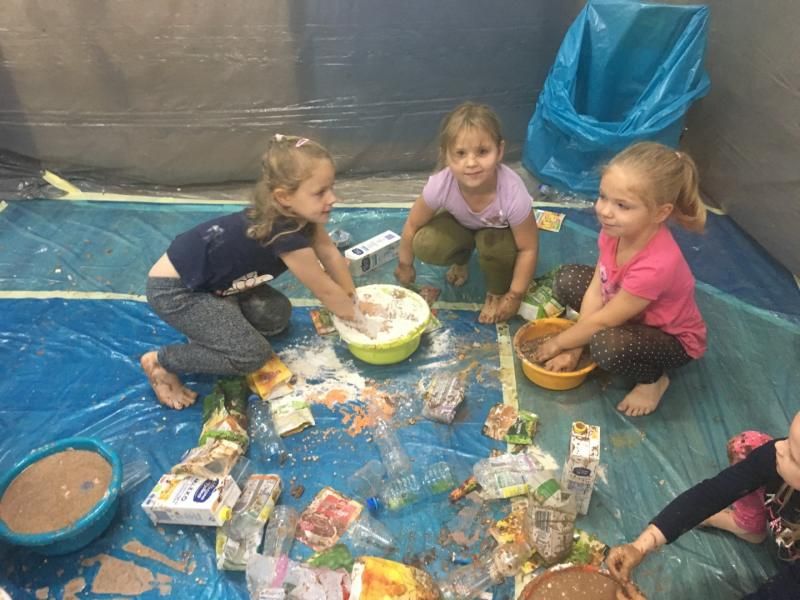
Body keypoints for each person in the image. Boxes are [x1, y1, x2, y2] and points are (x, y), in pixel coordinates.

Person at [141, 134, 362, 409]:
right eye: (320, 192)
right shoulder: (284, 234)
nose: (332, 198)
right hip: (178, 292)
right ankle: (161, 362)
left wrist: (353, 299)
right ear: (284, 197)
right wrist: (362, 323)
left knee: (275, 316)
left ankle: (213, 329)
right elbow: (326, 291)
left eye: (331, 188)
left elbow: (329, 254)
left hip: (216, 286)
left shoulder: (301, 216)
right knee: (252, 356)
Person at [531, 142, 707, 416]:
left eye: (622, 205)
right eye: (603, 197)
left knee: (606, 346)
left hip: (669, 339)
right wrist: (575, 346)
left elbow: (605, 321)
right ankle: (586, 337)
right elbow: (597, 288)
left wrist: (560, 343)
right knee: (567, 279)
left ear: (660, 213)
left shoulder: (656, 265)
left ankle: (653, 381)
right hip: (625, 310)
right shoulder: (614, 230)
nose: (605, 211)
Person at [608, 413, 800, 599]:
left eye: (793, 456)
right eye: (788, 439)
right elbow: (712, 493)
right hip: (787, 525)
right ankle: (748, 525)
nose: (779, 447)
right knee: (749, 446)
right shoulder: (777, 453)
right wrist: (640, 545)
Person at [393, 102, 539, 324]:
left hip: (498, 233)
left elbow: (528, 248)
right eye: (460, 153)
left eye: (482, 152)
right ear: (446, 156)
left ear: (499, 151)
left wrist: (514, 295)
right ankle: (461, 261)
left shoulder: (512, 193)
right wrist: (405, 265)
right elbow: (413, 224)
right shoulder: (440, 185)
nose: (471, 163)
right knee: (426, 243)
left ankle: (495, 293)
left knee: (495, 249)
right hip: (462, 225)